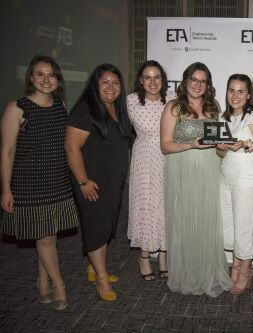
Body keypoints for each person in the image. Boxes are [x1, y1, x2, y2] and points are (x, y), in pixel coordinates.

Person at [0, 55, 79, 311]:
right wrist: (6, 188)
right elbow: (7, 151)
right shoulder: (17, 108)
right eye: (40, 74)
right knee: (44, 237)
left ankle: (42, 279)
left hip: (57, 182)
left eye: (52, 75)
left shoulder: (60, 106)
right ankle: (59, 285)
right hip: (29, 184)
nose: (46, 80)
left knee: (47, 236)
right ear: (31, 78)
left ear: (58, 80)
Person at [160, 62, 232, 297]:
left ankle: (206, 273)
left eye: (203, 81)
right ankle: (186, 274)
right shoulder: (173, 107)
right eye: (194, 79)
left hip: (209, 171)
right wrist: (190, 144)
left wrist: (223, 147)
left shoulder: (214, 108)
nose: (198, 84)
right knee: (184, 221)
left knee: (206, 221)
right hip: (182, 171)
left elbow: (220, 146)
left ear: (208, 85)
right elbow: (166, 145)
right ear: (185, 81)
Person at [65, 63, 133, 302]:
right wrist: (83, 181)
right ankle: (101, 280)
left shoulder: (116, 108)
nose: (111, 87)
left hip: (112, 181)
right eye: (105, 82)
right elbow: (71, 147)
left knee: (106, 225)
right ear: (95, 84)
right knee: (95, 226)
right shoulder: (86, 109)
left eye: (115, 83)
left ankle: (95, 268)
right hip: (91, 181)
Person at [216, 74, 253, 295]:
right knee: (230, 223)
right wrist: (221, 146)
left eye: (240, 91)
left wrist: (245, 143)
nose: (235, 95)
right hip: (227, 177)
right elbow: (220, 152)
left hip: (247, 178)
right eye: (231, 90)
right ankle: (236, 264)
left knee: (245, 225)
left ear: (248, 95)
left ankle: (245, 270)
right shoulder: (223, 118)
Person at [127, 60, 175, 281]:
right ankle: (144, 257)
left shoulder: (173, 100)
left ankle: (163, 256)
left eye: (157, 77)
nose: (152, 82)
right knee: (145, 206)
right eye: (147, 77)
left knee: (165, 206)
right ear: (140, 80)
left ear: (163, 80)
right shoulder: (131, 101)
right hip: (144, 160)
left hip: (168, 158)